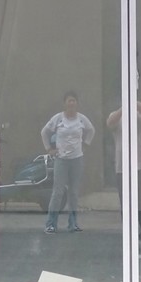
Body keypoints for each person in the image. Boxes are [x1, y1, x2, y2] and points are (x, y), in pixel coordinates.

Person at [40, 91, 95, 234]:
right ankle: (51, 224)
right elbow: (44, 132)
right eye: (69, 100)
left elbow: (91, 130)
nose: (71, 103)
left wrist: (86, 144)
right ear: (64, 103)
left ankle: (73, 223)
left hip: (77, 160)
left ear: (77, 103)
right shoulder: (58, 119)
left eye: (74, 100)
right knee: (57, 192)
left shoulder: (82, 119)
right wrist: (49, 149)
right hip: (61, 160)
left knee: (74, 193)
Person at [107, 99, 141, 252]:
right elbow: (110, 123)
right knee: (127, 204)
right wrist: (124, 107)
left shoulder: (139, 116)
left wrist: (136, 104)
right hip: (122, 169)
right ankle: (131, 237)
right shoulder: (116, 116)